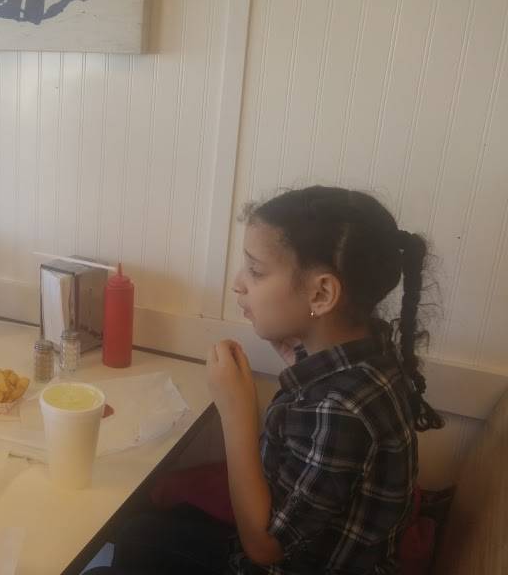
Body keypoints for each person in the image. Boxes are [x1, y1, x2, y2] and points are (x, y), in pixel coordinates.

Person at [89, 186, 443, 574]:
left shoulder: (339, 410)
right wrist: (299, 360)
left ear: (322, 293)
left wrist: (237, 413)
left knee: (116, 557)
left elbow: (265, 547)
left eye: (256, 272)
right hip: (298, 547)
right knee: (139, 533)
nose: (238, 283)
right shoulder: (368, 357)